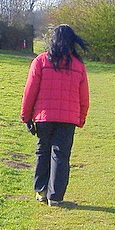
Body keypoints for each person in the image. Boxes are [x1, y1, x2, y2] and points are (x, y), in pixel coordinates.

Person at [20, 24, 89, 207]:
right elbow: (84, 96)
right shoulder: (78, 65)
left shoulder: (41, 61)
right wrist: (81, 118)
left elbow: (30, 91)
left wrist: (26, 117)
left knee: (43, 151)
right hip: (68, 119)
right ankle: (56, 196)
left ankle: (41, 191)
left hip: (44, 116)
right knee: (61, 155)